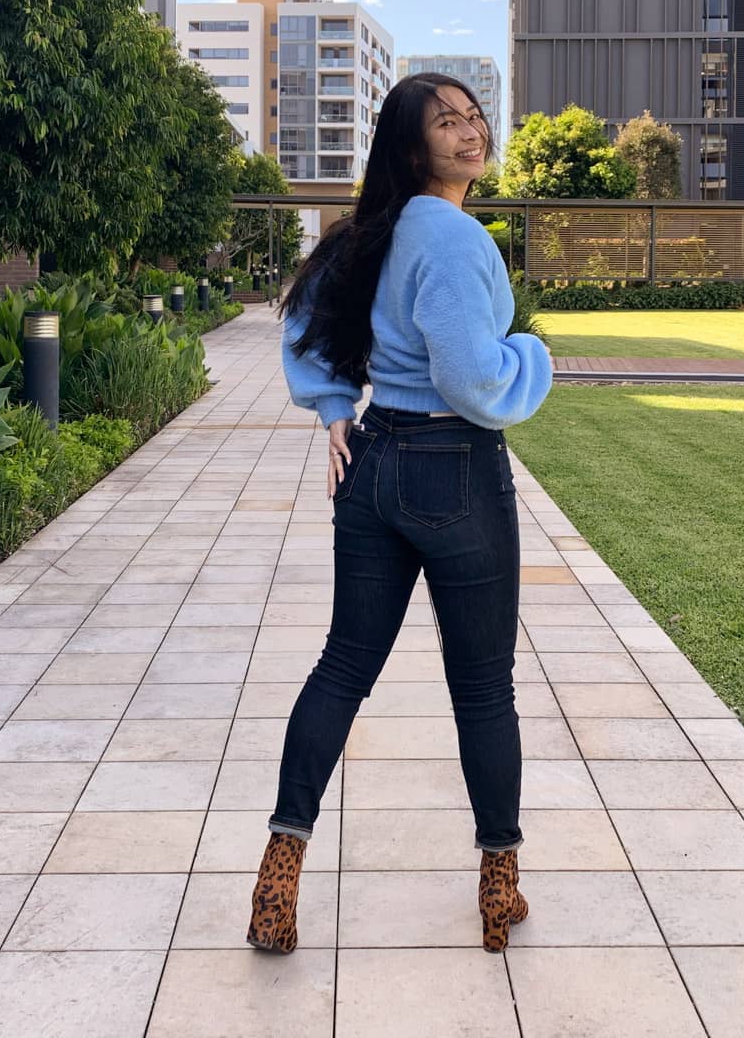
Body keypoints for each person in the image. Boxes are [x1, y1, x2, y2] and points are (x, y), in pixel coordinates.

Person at [247, 73, 553, 955]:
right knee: (484, 690)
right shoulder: (454, 238)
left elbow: (303, 321)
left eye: (473, 116)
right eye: (445, 123)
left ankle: (280, 871)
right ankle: (500, 886)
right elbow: (469, 377)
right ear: (411, 147)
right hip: (454, 465)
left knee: (342, 669)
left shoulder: (371, 235)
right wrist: (530, 358)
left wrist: (336, 406)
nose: (468, 132)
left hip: (374, 462)